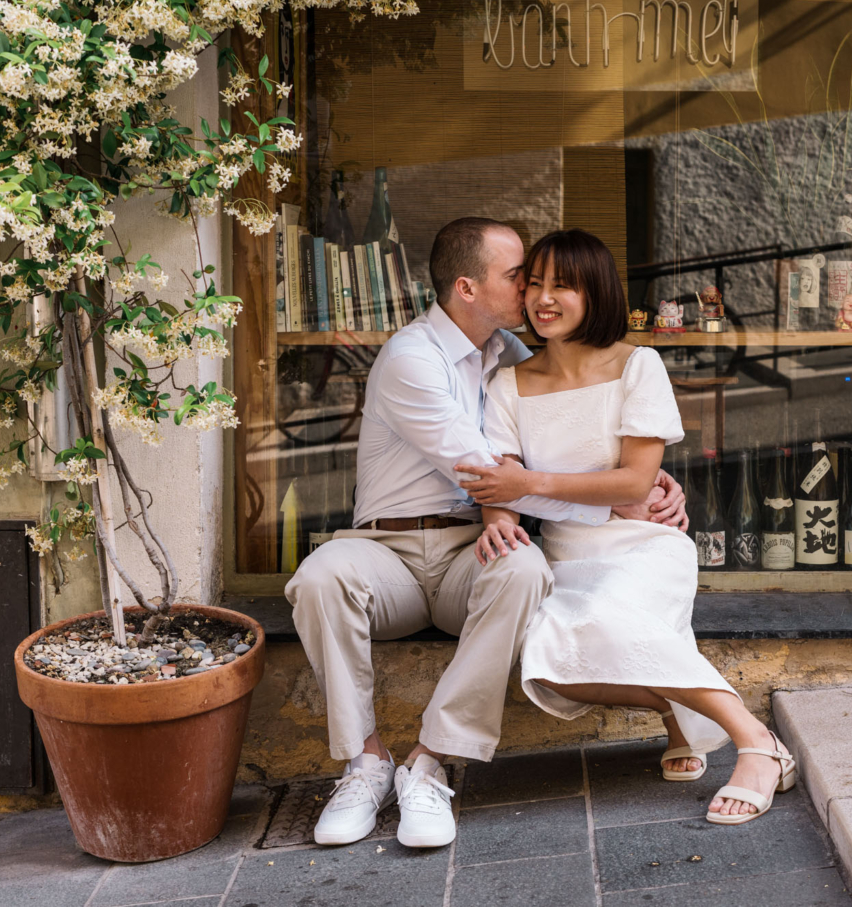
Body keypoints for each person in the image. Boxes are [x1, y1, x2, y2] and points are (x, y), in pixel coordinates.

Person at [284, 217, 688, 849]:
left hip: (468, 552)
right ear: (468, 288)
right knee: (318, 577)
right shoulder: (411, 357)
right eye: (517, 275)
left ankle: (431, 759)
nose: (531, 288)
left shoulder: (510, 353)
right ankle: (364, 762)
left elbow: (568, 433)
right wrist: (616, 501)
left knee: (524, 570)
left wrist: (651, 481)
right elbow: (491, 472)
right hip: (385, 550)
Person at [456, 228, 798, 825]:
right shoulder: (506, 382)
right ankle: (677, 714)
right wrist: (500, 515)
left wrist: (530, 484)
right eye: (533, 283)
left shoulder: (639, 364)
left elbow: (637, 484)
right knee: (549, 661)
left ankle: (757, 743)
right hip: (566, 551)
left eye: (562, 285)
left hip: (643, 545)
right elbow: (498, 484)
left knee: (603, 622)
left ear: (597, 293)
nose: (543, 298)